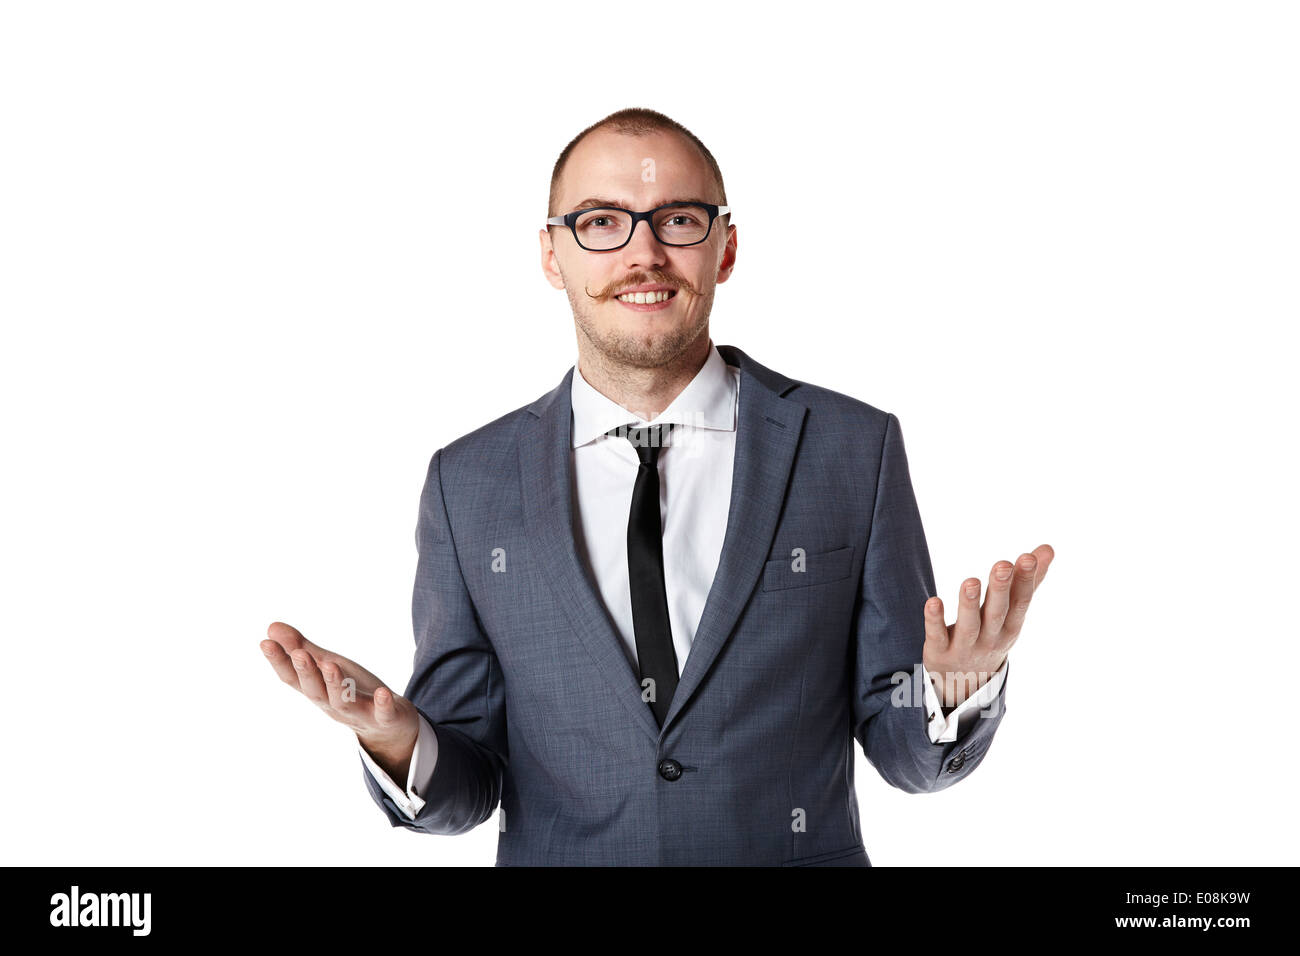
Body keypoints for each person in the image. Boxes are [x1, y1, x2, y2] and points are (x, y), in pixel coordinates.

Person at [260, 107, 1054, 866]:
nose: (644, 255)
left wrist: (955, 687)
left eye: (678, 220)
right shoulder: (468, 484)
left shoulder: (853, 447)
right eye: (601, 222)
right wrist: (400, 738)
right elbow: (473, 780)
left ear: (726, 249)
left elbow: (904, 753)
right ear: (551, 255)